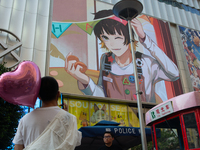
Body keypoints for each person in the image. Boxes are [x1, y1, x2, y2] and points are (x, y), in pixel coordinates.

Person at [65, 9, 179, 103]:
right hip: (116, 123)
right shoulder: (106, 60)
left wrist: (145, 39)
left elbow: (174, 74)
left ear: (129, 37)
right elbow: (103, 95)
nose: (112, 44)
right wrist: (84, 79)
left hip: (145, 126)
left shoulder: (146, 62)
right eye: (105, 38)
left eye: (118, 38)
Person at [13, 76, 81, 150]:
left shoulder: (25, 120)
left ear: (39, 96)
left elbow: (18, 148)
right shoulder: (70, 119)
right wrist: (65, 116)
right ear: (58, 94)